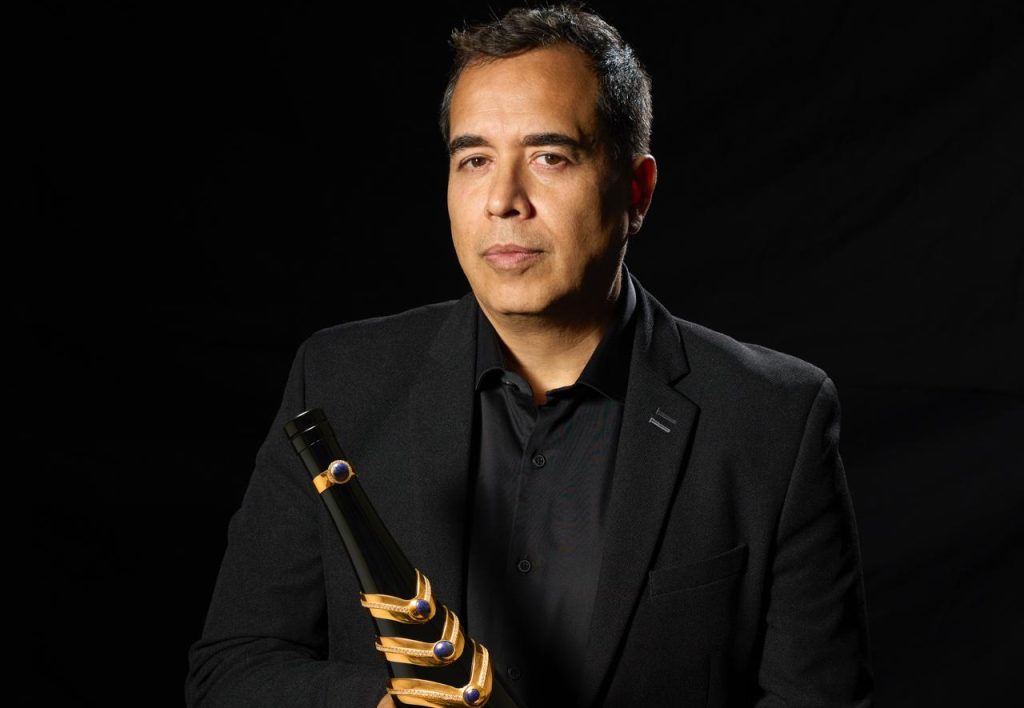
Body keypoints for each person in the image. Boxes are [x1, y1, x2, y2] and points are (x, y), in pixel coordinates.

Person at [186, 4, 873, 706]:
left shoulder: (773, 418)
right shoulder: (338, 379)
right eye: (475, 160)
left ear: (636, 193)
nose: (503, 201)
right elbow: (230, 671)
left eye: (550, 157)